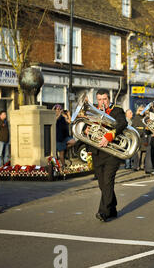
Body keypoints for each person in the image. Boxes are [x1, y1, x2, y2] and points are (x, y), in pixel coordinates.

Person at [84, 89, 128, 222]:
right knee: (102, 185)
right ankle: (112, 208)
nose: (102, 102)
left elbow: (122, 123)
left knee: (108, 182)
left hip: (112, 152)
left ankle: (103, 212)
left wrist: (109, 135)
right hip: (97, 152)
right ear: (97, 100)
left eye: (105, 99)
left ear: (109, 99)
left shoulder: (117, 110)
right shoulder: (93, 111)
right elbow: (86, 126)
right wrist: (85, 129)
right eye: (100, 99)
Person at [54, 105, 76, 169]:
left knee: (73, 142)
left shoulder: (63, 117)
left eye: (60, 109)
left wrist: (68, 115)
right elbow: (54, 121)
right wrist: (59, 114)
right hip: (59, 137)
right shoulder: (53, 116)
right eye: (57, 109)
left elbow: (70, 122)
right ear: (55, 110)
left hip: (65, 136)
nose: (58, 110)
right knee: (61, 154)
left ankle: (64, 149)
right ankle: (63, 166)